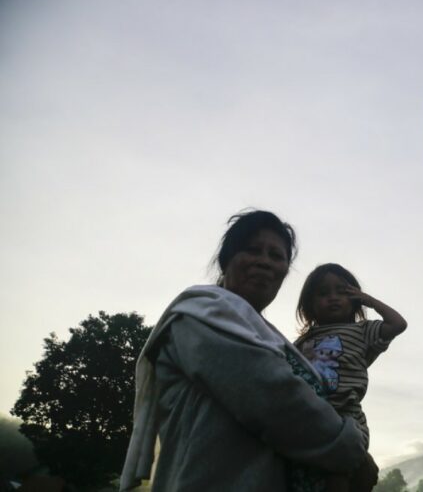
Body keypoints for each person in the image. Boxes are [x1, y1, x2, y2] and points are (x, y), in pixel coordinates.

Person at [120, 210, 375, 491]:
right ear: (226, 260)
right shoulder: (200, 314)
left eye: (276, 256)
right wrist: (350, 451)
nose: (264, 261)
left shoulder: (272, 337)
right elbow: (274, 398)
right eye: (253, 250)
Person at [294, 263, 407, 492]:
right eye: (323, 293)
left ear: (354, 300)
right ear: (310, 305)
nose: (333, 298)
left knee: (339, 473)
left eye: (342, 292)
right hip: (311, 417)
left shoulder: (362, 331)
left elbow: (398, 324)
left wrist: (369, 300)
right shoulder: (302, 342)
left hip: (347, 418)